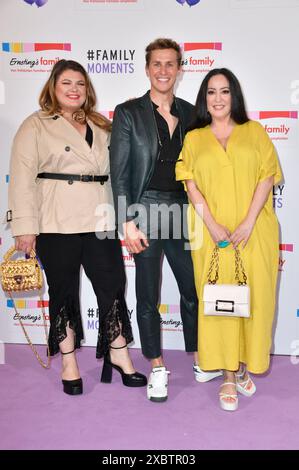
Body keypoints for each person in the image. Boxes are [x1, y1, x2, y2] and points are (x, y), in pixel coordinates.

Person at [7, 59, 147, 395]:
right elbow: (22, 179)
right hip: (56, 219)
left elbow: (118, 173)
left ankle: (118, 353)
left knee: (112, 284)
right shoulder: (35, 125)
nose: (74, 89)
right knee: (64, 291)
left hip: (100, 217)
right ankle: (68, 360)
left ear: (88, 90)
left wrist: (126, 218)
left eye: (80, 84)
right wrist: (25, 226)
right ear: (53, 87)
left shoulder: (102, 124)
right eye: (67, 83)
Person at [110, 38, 221, 403]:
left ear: (179, 69)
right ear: (147, 68)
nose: (163, 71)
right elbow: (120, 172)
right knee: (147, 293)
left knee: (192, 289)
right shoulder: (128, 113)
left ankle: (199, 357)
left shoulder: (191, 114)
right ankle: (156, 364)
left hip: (183, 212)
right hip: (144, 210)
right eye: (156, 64)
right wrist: (127, 220)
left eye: (170, 64)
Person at [176, 68, 282, 411]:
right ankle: (227, 375)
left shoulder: (255, 132)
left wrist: (248, 223)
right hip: (212, 235)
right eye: (211, 92)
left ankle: (244, 365)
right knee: (220, 303)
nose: (218, 98)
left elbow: (267, 178)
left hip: (255, 232)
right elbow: (190, 183)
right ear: (203, 99)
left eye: (224, 91)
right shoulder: (194, 138)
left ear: (234, 96)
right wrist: (212, 225)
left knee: (254, 300)